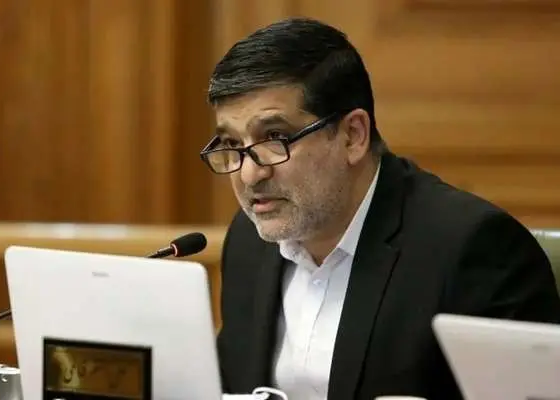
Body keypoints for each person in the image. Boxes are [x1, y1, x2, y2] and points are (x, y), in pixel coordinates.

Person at [199, 17, 560, 400]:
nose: (250, 173)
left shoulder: (472, 249)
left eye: (276, 138)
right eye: (231, 144)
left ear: (353, 136)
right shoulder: (250, 242)